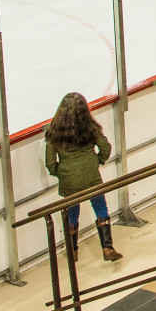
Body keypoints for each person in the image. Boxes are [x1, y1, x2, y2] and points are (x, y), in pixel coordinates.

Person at [43, 92, 121, 262]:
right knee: (101, 209)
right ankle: (107, 247)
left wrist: (61, 173)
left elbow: (50, 162)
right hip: (91, 175)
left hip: (69, 179)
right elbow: (105, 148)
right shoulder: (90, 128)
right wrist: (97, 161)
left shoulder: (54, 132)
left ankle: (73, 252)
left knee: (72, 214)